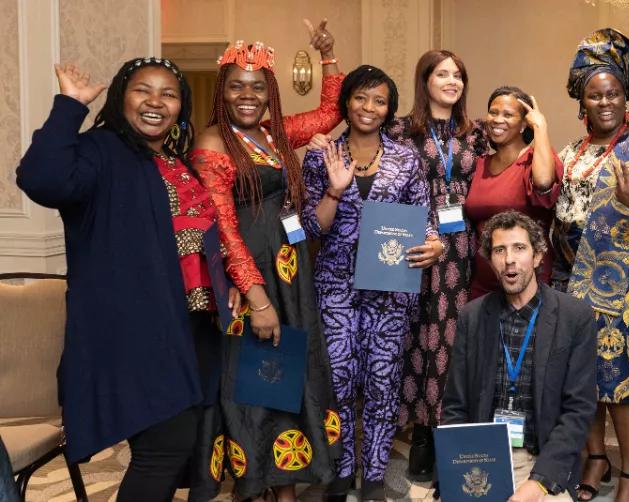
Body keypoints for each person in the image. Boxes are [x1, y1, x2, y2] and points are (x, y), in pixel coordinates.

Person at [17, 58, 234, 501]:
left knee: (184, 445)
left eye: (169, 94)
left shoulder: (172, 159)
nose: (156, 102)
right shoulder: (102, 149)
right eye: (143, 90)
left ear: (181, 105)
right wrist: (68, 106)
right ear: (121, 97)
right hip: (136, 331)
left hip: (189, 327)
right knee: (164, 445)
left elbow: (197, 236)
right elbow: (41, 178)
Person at [190, 21, 343, 501]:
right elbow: (224, 229)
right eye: (236, 86)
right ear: (223, 92)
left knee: (288, 377)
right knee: (254, 384)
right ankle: (255, 485)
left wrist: (328, 55)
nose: (247, 95)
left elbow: (329, 112)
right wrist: (256, 298)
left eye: (258, 87)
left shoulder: (276, 135)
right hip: (255, 279)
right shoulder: (214, 142)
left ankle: (286, 486)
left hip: (291, 275)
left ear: (270, 93)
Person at [300, 65, 441, 501]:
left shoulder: (406, 159)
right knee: (339, 382)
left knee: (382, 385)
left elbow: (427, 219)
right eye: (361, 98)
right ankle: (340, 475)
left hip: (390, 290)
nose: (369, 107)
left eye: (379, 100)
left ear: (388, 109)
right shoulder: (321, 156)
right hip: (336, 287)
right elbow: (310, 228)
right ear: (346, 102)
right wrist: (335, 191)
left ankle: (375, 477)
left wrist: (434, 245)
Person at [550, 28, 629, 502]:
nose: (605, 102)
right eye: (595, 95)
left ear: (626, 98)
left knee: (624, 381)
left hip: (627, 283)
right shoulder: (569, 153)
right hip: (570, 278)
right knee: (582, 379)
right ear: (583, 103)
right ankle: (595, 457)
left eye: (614, 93)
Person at [441, 210, 597, 501]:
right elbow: (455, 406)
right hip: (483, 457)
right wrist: (452, 472)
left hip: (544, 460)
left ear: (538, 257)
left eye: (519, 248)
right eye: (500, 250)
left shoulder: (574, 317)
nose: (509, 259)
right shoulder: (472, 317)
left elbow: (579, 411)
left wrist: (539, 483)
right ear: (491, 261)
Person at [390, 49, 490, 479]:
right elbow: (359, 152)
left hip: (464, 248)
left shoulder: (478, 134)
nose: (452, 81)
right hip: (413, 245)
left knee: (454, 340)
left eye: (459, 76)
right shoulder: (399, 131)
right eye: (443, 74)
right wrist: (322, 141)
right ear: (425, 80)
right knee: (414, 336)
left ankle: (447, 429)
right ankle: (420, 431)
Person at [464, 86, 562, 299]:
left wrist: (540, 127)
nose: (498, 119)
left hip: (528, 284)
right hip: (484, 284)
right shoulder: (480, 163)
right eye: (493, 112)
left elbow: (544, 183)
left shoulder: (535, 159)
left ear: (523, 124)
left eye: (508, 114)